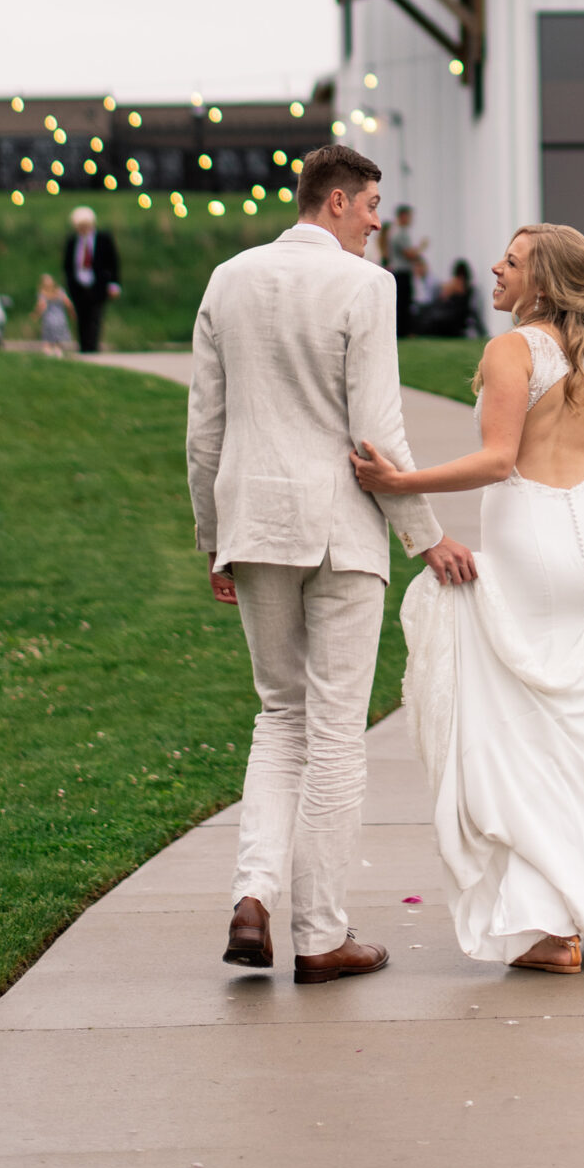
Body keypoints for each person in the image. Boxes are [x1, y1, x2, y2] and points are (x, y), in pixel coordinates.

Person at [354, 222, 584, 975]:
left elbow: (495, 461)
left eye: (511, 262)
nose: (495, 268)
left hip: (533, 540)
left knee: (518, 731)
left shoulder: (511, 351)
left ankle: (549, 926)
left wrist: (398, 484)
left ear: (541, 283)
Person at [186, 142, 477, 985]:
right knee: (335, 728)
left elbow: (205, 428)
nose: (379, 224)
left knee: (279, 715)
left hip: (255, 524)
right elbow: (374, 429)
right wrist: (427, 536)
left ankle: (252, 897)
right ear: (338, 201)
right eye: (373, 206)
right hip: (340, 536)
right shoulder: (364, 285)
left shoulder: (227, 279)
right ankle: (319, 935)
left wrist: (215, 539)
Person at [63, 206, 121, 352]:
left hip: (98, 284)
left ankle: (92, 347)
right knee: (81, 316)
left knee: (95, 316)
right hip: (78, 284)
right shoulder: (72, 242)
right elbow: (67, 265)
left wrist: (114, 284)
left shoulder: (103, 240)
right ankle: (83, 347)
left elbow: (113, 263)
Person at [384, 203, 426, 341]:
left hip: (400, 272)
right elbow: (409, 254)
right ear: (403, 216)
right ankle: (403, 332)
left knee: (403, 303)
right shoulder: (399, 234)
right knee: (403, 304)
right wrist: (421, 248)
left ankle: (402, 331)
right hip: (401, 273)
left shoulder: (398, 232)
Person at [413, 259, 483, 339]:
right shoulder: (461, 287)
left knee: (429, 317)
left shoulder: (459, 287)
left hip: (453, 320)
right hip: (450, 316)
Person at [34, 273, 73, 352]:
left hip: (49, 320)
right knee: (58, 341)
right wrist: (71, 313)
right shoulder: (60, 291)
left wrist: (35, 314)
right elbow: (68, 303)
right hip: (61, 319)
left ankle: (48, 353)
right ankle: (58, 352)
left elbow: (42, 305)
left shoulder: (42, 294)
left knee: (48, 341)